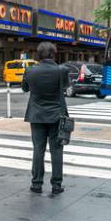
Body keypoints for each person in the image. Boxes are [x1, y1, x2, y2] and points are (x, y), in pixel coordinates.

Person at [21, 41, 70, 195]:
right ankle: (56, 185)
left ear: (39, 54)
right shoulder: (62, 70)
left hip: (36, 115)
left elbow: (25, 88)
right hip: (56, 116)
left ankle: (36, 184)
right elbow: (65, 88)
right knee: (56, 151)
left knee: (38, 150)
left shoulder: (30, 70)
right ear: (53, 53)